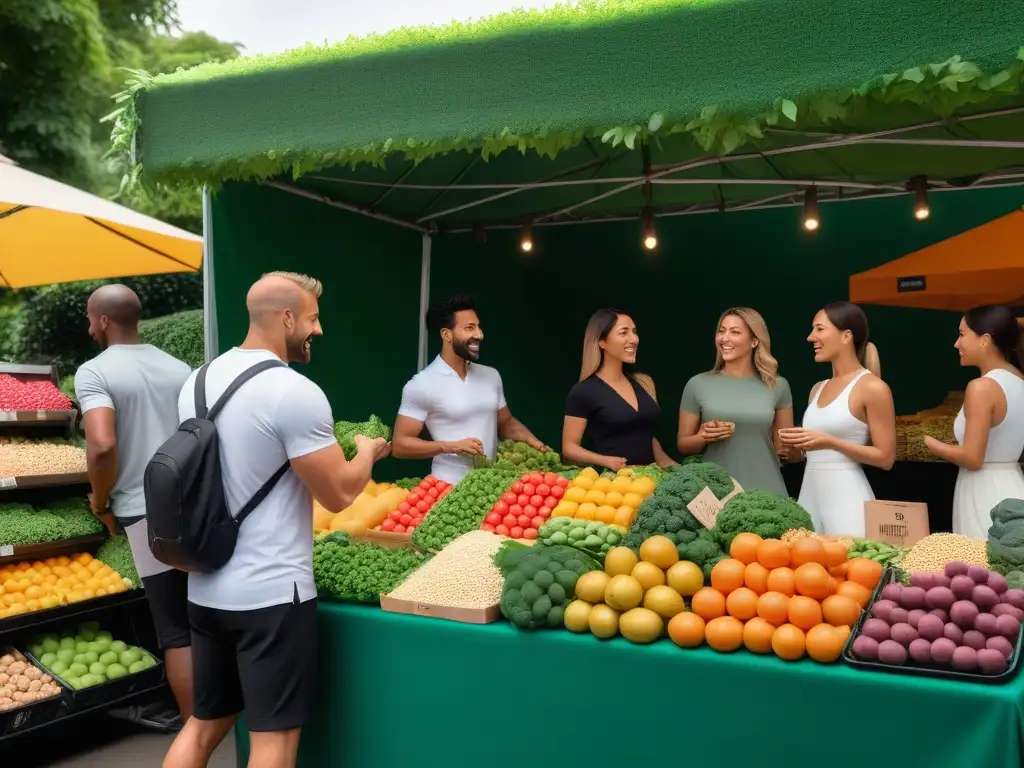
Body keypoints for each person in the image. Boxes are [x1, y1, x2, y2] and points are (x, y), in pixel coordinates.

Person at [164, 272, 389, 768]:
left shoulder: (196, 381)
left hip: (204, 588)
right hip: (271, 596)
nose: (319, 330)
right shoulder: (294, 391)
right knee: (274, 741)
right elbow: (337, 494)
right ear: (286, 318)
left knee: (202, 726)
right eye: (312, 318)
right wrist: (369, 453)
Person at [74, 284, 193, 727]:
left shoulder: (94, 372)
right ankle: (221, 717)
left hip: (144, 510)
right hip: (193, 504)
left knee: (174, 628)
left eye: (90, 319)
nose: (89, 328)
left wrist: (100, 500)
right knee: (201, 613)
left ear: (103, 321)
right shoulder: (178, 367)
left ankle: (193, 732)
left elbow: (102, 446)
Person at [392, 294, 548, 484]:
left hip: (491, 484)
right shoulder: (421, 384)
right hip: (447, 486)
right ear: (446, 335)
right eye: (469, 328)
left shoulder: (491, 376)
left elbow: (506, 422)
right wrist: (451, 446)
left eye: (478, 327)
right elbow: (400, 445)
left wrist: (532, 441)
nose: (479, 335)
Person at [779, 301, 895, 536]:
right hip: (810, 497)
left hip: (848, 503)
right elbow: (815, 451)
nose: (811, 337)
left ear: (846, 336)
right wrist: (795, 453)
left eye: (820, 329)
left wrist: (831, 442)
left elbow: (886, 457)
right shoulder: (817, 389)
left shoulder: (872, 388)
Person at [924, 306, 1024, 539]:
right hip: (1013, 484)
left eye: (961, 334)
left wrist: (931, 443)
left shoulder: (982, 387)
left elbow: (972, 458)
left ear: (984, 340)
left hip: (984, 494)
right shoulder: (1019, 382)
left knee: (982, 570)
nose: (956, 344)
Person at [677, 307, 792, 493]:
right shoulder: (697, 384)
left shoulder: (778, 385)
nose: (725, 338)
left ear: (754, 341)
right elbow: (683, 444)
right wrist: (702, 437)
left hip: (766, 487)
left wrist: (796, 451)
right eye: (721, 331)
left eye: (735, 332)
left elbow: (786, 449)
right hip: (715, 490)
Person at [562, 308, 675, 470]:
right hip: (613, 487)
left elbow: (646, 435)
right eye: (623, 333)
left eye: (634, 332)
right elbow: (569, 448)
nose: (634, 339)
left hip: (650, 482)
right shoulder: (583, 392)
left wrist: (670, 465)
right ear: (602, 342)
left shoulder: (645, 382)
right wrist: (606, 461)